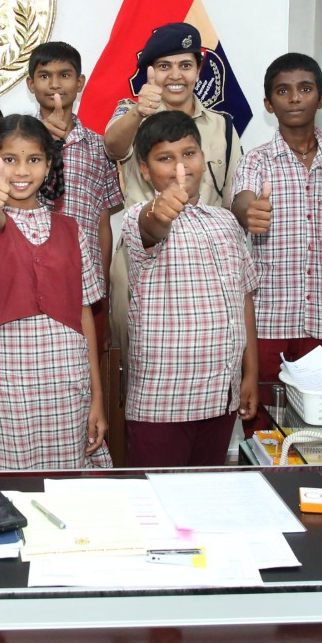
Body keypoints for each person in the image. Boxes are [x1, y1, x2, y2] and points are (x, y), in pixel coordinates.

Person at [0, 114, 110, 469]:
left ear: (48, 166)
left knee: (66, 484)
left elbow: (84, 316)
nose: (21, 170)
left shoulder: (71, 228)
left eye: (33, 159)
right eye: (9, 159)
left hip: (67, 384)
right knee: (13, 484)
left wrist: (97, 397)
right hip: (9, 385)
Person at [122, 111, 258, 468]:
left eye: (189, 153)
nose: (180, 166)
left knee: (205, 491)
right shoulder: (138, 217)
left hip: (220, 396)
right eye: (165, 158)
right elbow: (151, 225)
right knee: (158, 495)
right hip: (163, 402)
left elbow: (244, 297)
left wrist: (250, 374)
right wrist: (160, 209)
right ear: (145, 170)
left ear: (203, 156)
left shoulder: (226, 221)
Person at [232, 53, 322, 400]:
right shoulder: (256, 160)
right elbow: (241, 201)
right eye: (283, 91)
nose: (295, 98)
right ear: (269, 104)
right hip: (266, 321)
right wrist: (249, 211)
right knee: (264, 416)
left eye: (305, 89)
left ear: (320, 98)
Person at [103, 22, 243, 355]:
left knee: (208, 355)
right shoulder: (131, 113)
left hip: (205, 264)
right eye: (165, 66)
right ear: (151, 72)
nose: (176, 75)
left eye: (185, 65)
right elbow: (112, 147)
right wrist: (139, 111)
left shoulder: (222, 126)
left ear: (199, 69)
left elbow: (233, 194)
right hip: (144, 259)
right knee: (141, 364)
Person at [29, 41, 123, 334]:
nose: (55, 84)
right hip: (29, 278)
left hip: (85, 281)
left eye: (65, 75)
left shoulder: (99, 147)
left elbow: (103, 222)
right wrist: (34, 141)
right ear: (30, 84)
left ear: (80, 82)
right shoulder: (17, 142)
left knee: (86, 355)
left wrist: (103, 290)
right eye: (44, 76)